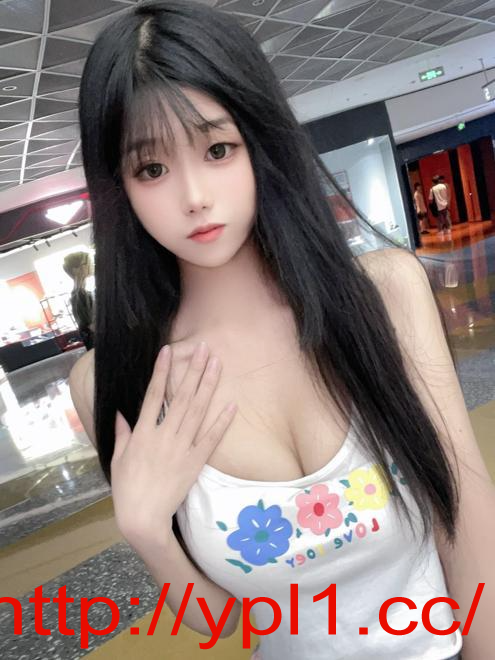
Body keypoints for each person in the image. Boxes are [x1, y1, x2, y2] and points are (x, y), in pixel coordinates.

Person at [68, 2, 494, 658]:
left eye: (217, 149)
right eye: (151, 168)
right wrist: (146, 532)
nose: (193, 196)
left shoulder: (382, 295)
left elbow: (466, 523)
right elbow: (226, 625)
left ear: (258, 141)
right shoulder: (114, 381)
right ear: (118, 185)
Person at [62, 251, 94, 350]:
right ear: (76, 270)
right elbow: (92, 326)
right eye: (87, 263)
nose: (91, 265)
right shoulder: (80, 295)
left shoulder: (80, 293)